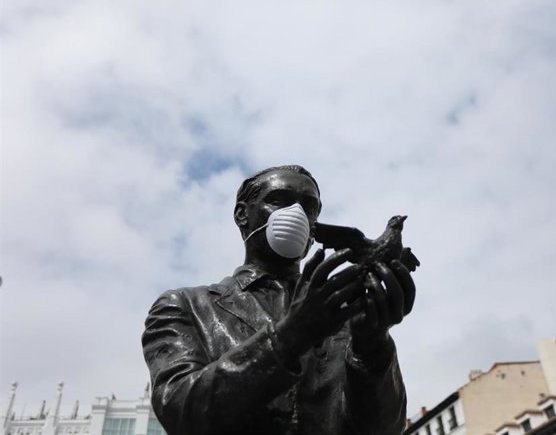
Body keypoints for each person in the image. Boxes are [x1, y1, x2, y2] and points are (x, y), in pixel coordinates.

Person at [142, 165, 416, 435]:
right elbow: (181, 411)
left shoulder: (342, 317)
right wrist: (292, 335)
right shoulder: (187, 306)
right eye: (279, 200)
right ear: (242, 215)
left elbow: (384, 430)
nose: (296, 214)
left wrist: (373, 346)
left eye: (308, 207)